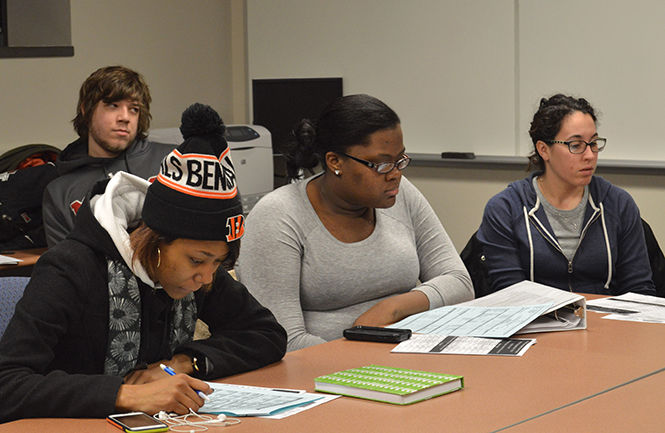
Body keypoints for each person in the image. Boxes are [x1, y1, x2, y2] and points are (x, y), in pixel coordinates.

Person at [0, 103, 287, 422]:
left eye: (217, 263)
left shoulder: (200, 270)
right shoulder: (71, 268)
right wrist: (125, 394)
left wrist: (182, 362)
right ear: (157, 239)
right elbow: (7, 384)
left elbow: (267, 334)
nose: (206, 279)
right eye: (197, 261)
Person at [235, 94, 473, 351]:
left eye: (400, 160)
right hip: (328, 370)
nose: (395, 175)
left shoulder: (401, 193)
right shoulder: (279, 216)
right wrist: (362, 357)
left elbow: (459, 281)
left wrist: (391, 310)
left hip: (413, 350)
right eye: (381, 164)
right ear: (335, 162)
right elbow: (283, 339)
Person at [477, 93, 655, 296]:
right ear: (544, 150)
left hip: (607, 323)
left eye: (594, 143)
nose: (589, 155)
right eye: (576, 145)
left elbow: (639, 291)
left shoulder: (617, 204)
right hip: (537, 324)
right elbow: (509, 294)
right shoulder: (506, 208)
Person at [42, 65, 175, 247]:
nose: (125, 117)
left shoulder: (173, 161)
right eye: (113, 106)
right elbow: (66, 268)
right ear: (86, 110)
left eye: (134, 109)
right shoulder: (60, 192)